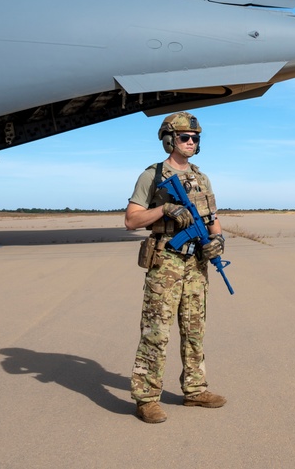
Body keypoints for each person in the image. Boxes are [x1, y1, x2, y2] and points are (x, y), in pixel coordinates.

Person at [124, 111, 227, 424]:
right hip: (166, 263)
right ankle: (146, 398)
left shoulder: (201, 177)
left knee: (195, 329)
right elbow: (131, 220)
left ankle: (194, 390)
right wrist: (164, 209)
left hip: (196, 264)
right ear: (169, 139)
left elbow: (212, 220)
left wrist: (218, 243)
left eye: (195, 138)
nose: (191, 142)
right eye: (185, 137)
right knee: (156, 332)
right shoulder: (152, 176)